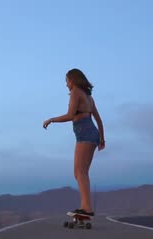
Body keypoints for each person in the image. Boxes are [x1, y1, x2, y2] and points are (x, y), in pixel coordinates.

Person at [43, 69, 106, 217]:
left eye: (67, 81)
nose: (66, 85)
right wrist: (102, 139)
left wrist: (51, 119)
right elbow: (99, 120)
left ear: (73, 80)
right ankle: (86, 206)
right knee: (82, 172)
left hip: (84, 134)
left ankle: (86, 208)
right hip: (92, 133)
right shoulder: (89, 97)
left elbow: (70, 115)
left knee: (79, 172)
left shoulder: (76, 92)